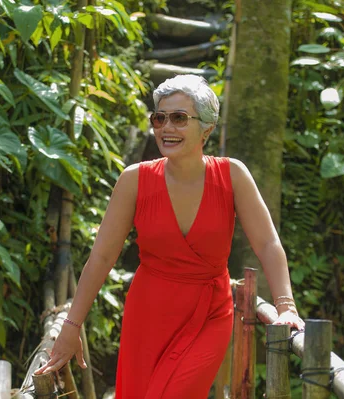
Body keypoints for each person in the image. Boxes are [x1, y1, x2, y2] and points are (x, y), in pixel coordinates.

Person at [36, 74, 304, 398]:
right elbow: (102, 257)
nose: (166, 127)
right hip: (147, 315)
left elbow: (267, 243)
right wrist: (71, 327)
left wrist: (286, 307)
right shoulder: (134, 180)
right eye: (159, 118)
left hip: (209, 315)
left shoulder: (232, 175)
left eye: (179, 118)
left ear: (206, 127)